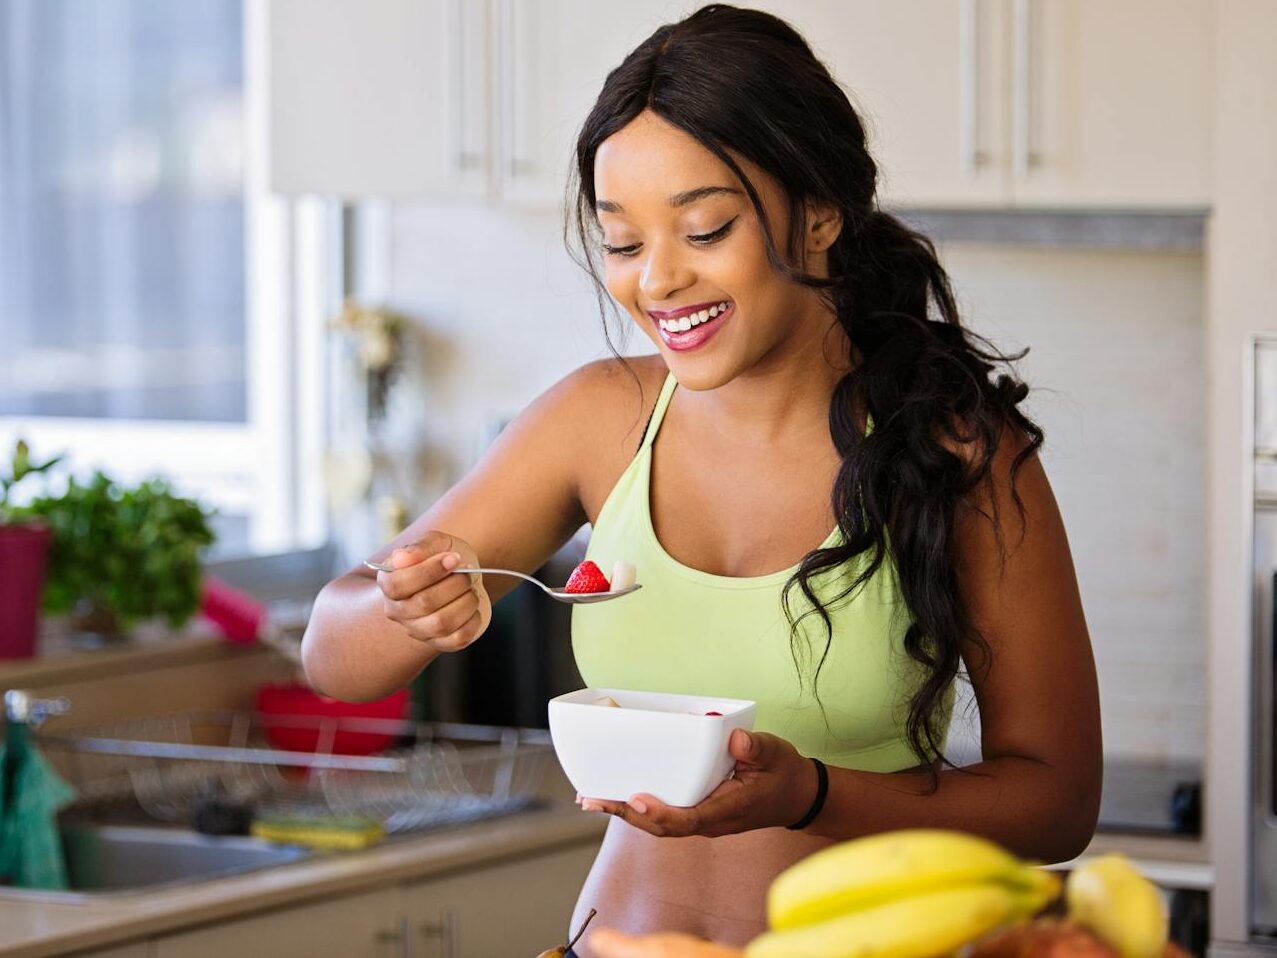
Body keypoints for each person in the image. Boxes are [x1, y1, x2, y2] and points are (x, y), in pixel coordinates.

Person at [301, 5, 1102, 955]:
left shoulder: (954, 452)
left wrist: (811, 794)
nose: (658, 282)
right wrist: (404, 610)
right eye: (625, 244)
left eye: (705, 229)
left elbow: (1057, 801)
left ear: (817, 216)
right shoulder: (598, 420)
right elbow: (330, 656)